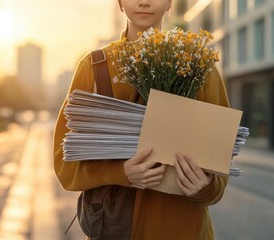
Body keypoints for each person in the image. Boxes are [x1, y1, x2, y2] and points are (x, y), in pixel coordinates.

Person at [53, 0, 230, 239]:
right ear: (119, 3)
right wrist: (120, 173)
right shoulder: (95, 68)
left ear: (170, 3)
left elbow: (220, 175)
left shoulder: (202, 68)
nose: (144, 1)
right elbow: (65, 165)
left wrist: (205, 187)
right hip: (119, 231)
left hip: (188, 231)